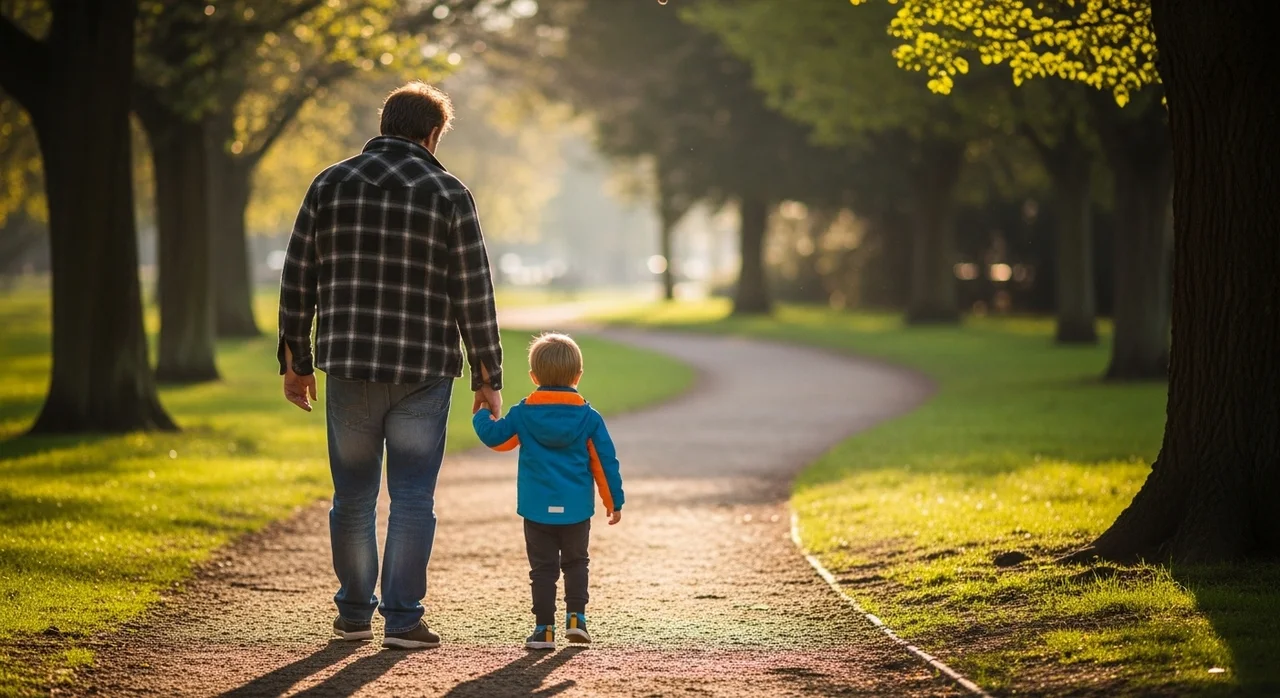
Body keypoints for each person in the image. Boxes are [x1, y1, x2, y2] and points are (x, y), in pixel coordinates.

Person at [276, 81, 503, 650]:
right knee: (412, 497)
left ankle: (354, 613)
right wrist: (487, 376)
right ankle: (402, 620)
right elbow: (473, 291)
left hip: (350, 364)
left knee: (352, 496)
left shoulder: (329, 184)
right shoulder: (449, 192)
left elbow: (298, 277)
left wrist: (296, 361)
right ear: (431, 135)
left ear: (383, 124)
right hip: (423, 369)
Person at [472, 333, 625, 649]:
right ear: (578, 376)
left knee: (542, 570)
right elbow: (605, 462)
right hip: (576, 511)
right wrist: (614, 502)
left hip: (536, 508)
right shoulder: (589, 417)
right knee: (576, 562)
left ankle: (543, 629)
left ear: (534, 376)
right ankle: (576, 619)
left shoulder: (524, 413)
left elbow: (497, 439)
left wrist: (481, 414)